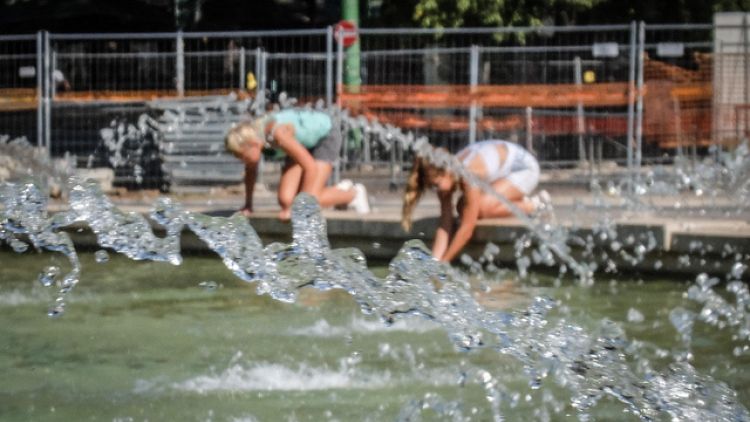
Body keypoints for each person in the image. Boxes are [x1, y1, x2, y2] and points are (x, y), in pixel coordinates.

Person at [402, 140, 541, 262]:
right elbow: (445, 224)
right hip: (501, 169)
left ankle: (535, 205)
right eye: (431, 186)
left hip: (524, 168)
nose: (435, 190)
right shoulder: (447, 176)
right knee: (463, 206)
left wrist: (444, 263)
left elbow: (467, 228)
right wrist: (434, 263)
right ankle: (515, 199)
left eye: (436, 185)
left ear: (446, 172)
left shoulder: (468, 173)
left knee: (480, 209)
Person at [225, 107, 370, 220]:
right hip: (301, 145)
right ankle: (338, 191)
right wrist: (248, 205)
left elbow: (310, 167)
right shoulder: (257, 139)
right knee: (286, 201)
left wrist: (302, 210)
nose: (241, 160)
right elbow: (250, 172)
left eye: (241, 155)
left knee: (309, 203)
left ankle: (354, 193)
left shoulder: (278, 134)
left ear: (252, 144)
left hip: (325, 136)